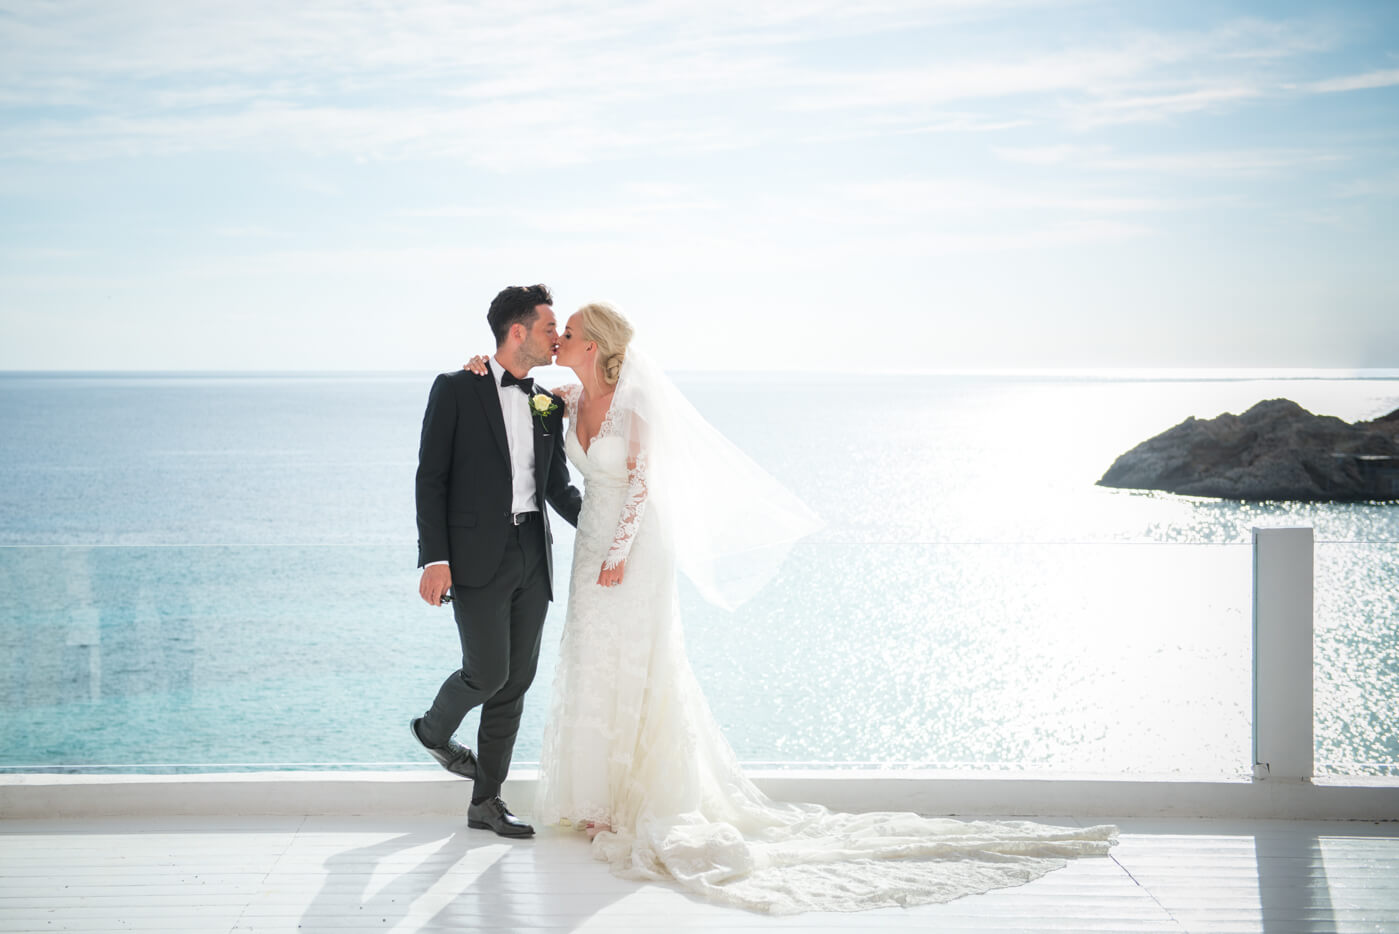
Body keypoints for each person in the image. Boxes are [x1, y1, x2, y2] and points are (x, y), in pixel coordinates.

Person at [462, 303, 1117, 913]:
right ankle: (594, 799)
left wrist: (620, 551)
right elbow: (516, 394)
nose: (559, 339)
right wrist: (481, 370)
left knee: (635, 659)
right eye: (558, 330)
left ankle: (632, 797)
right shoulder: (567, 397)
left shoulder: (635, 402)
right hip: (589, 544)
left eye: (569, 332)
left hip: (632, 548)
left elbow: (641, 482)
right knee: (591, 657)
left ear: (594, 344)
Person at [412, 284, 582, 839]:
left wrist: (605, 525)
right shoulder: (457, 388)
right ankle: (433, 731)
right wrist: (435, 558)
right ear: (517, 331)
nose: (556, 337)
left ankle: (486, 801)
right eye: (549, 328)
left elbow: (556, 487)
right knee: (487, 673)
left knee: (515, 682)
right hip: (475, 556)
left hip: (533, 551)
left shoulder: (548, 402)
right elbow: (431, 478)